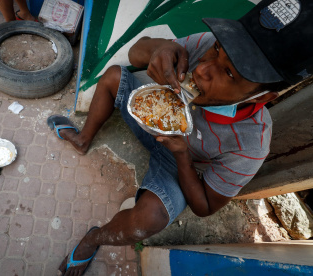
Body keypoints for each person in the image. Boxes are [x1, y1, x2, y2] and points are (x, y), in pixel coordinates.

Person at [47, 0, 313, 275]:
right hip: (149, 118)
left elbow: (205, 206)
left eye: (230, 73)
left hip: (179, 160)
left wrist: (182, 155)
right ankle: (83, 139)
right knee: (114, 76)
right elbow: (138, 52)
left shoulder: (251, 143)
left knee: (149, 219)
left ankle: (94, 238)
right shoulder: (206, 44)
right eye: (218, 50)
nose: (202, 69)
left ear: (264, 97)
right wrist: (159, 48)